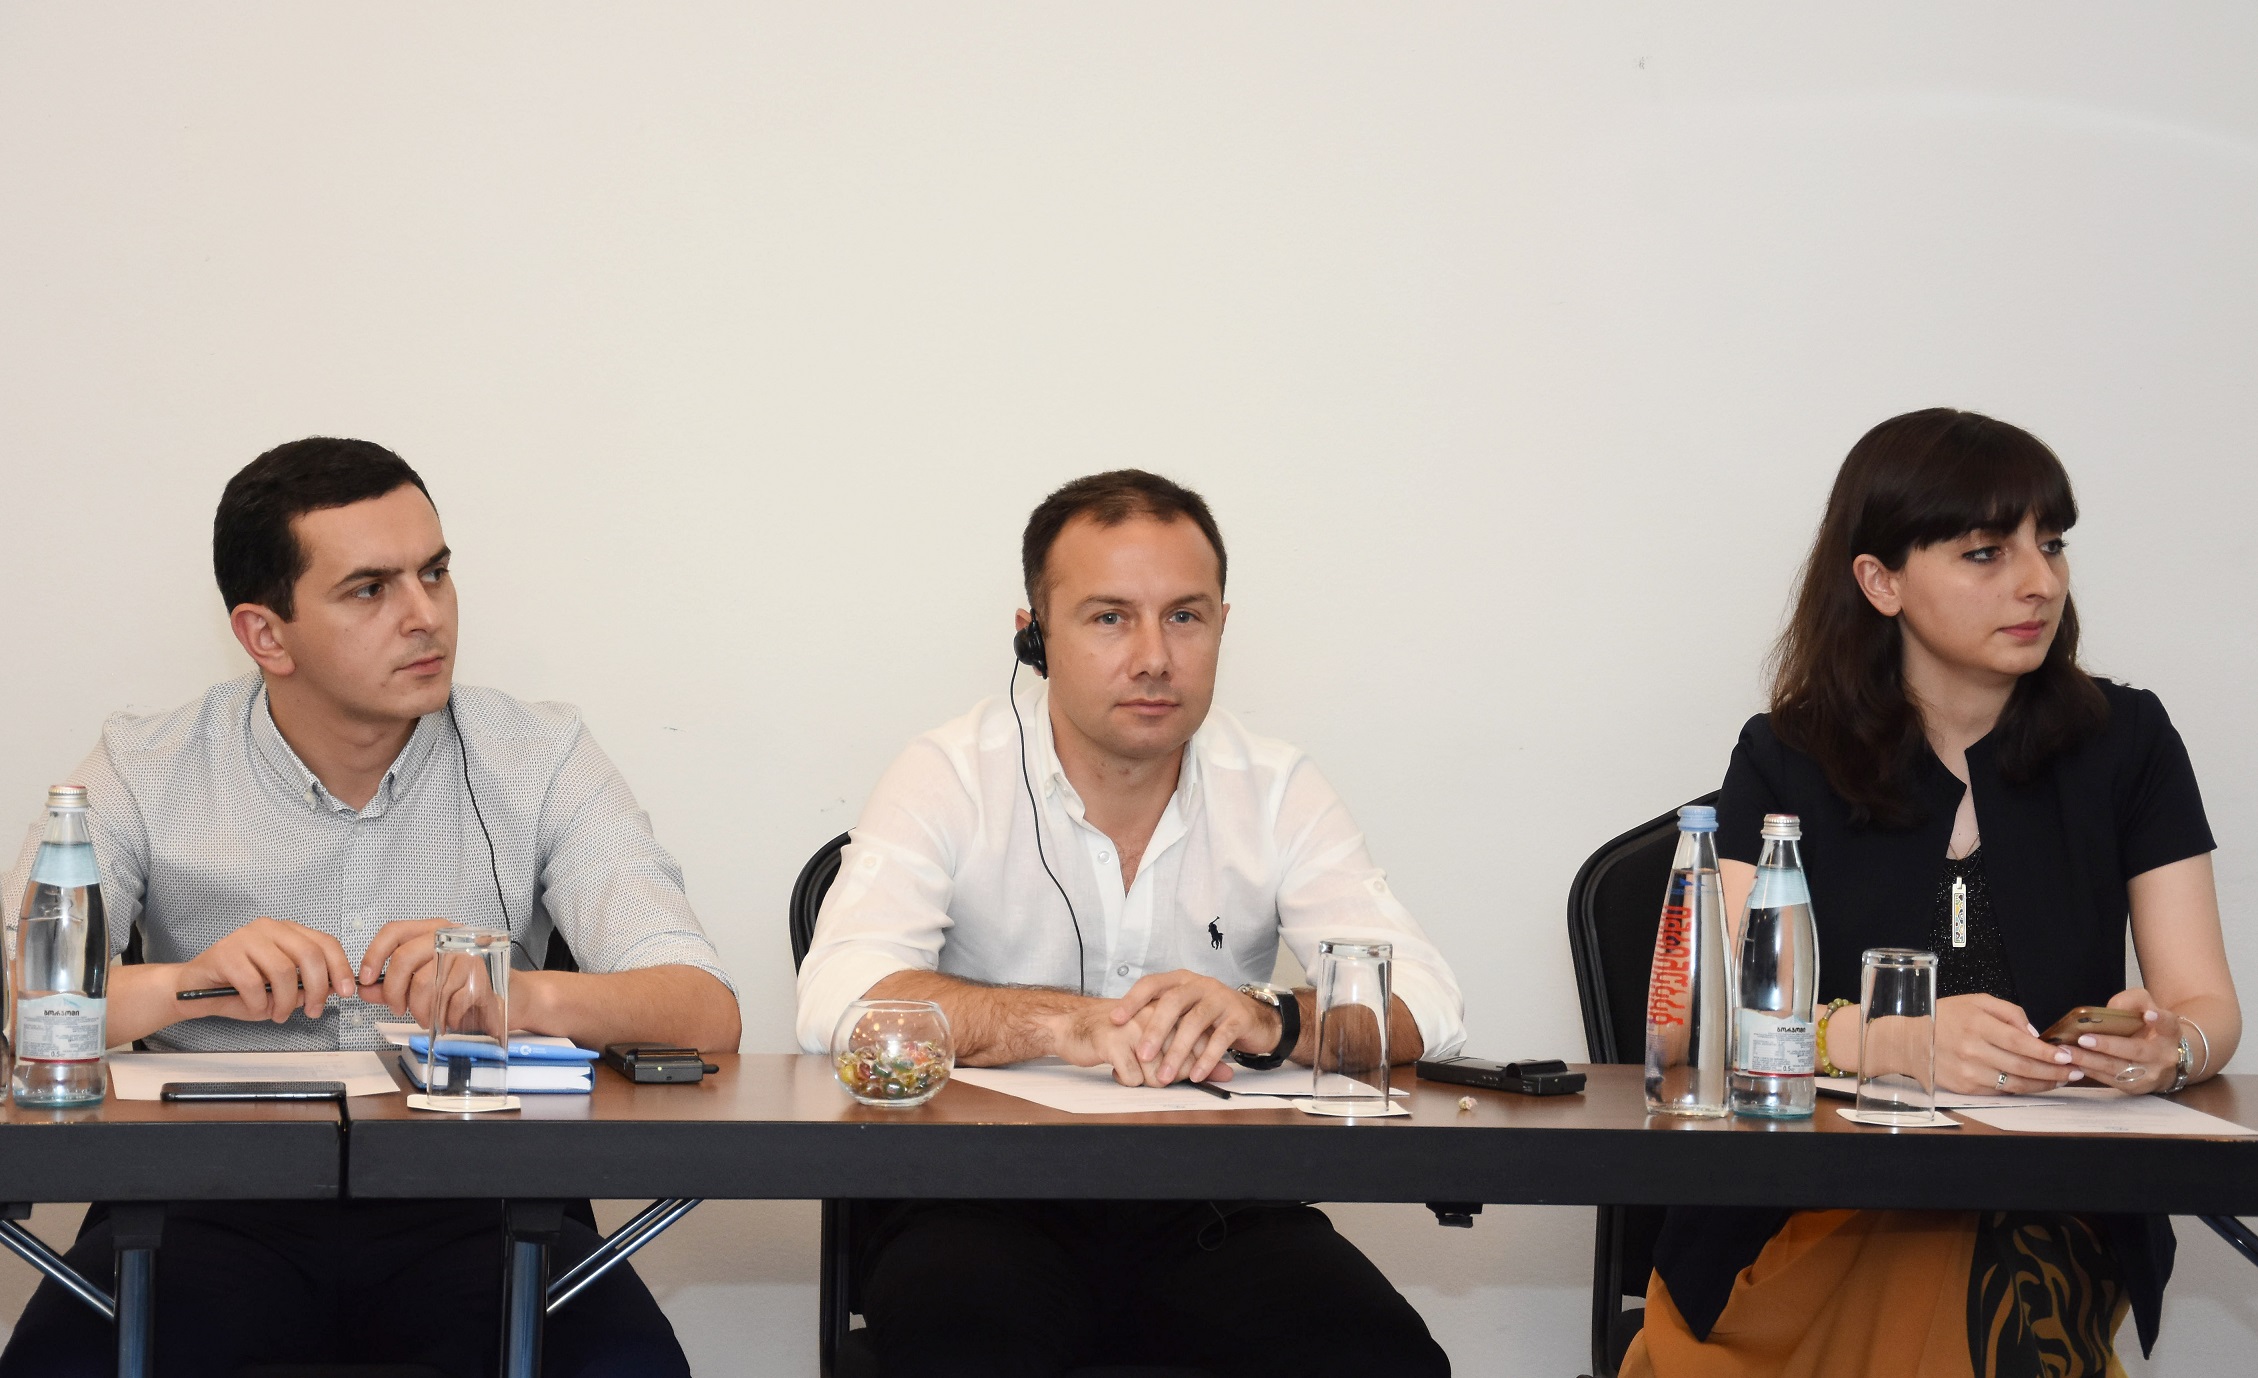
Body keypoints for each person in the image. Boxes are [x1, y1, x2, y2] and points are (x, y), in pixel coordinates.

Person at [0, 438, 742, 1378]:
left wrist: (519, 993)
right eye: (370, 590)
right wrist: (185, 983)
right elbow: (16, 1001)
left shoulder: (539, 754)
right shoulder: (147, 766)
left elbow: (704, 1008)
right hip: (204, 1202)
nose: (425, 615)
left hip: (487, 1203)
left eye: (435, 572)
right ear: (266, 635)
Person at [796, 469, 1464, 1377]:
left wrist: (1273, 1020)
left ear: (1223, 625)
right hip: (977, 1200)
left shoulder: (1275, 786)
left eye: (1184, 616)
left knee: (1377, 1358)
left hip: (1216, 1207)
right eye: (1110, 617)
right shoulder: (949, 773)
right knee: (970, 1347)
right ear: (1035, 637)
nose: (1154, 657)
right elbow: (839, 998)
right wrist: (1059, 1024)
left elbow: (1428, 1001)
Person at [1623, 410, 2241, 1378]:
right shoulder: (1786, 756)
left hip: (2044, 1204)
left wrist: (2169, 1051)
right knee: (1944, 1257)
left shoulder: (2127, 743)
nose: (2038, 582)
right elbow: (1713, 1021)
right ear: (1880, 581)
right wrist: (1894, 1043)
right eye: (1985, 553)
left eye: (2050, 544)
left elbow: (2206, 1004)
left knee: (1995, 1257)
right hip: (1804, 1208)